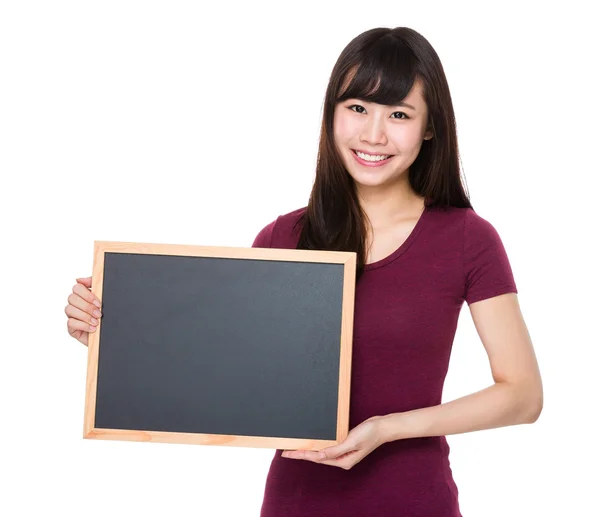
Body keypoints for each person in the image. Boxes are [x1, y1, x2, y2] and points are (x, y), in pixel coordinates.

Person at [65, 26, 543, 516]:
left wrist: (388, 428)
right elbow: (227, 373)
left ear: (429, 127)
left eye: (399, 114)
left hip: (414, 501)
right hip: (296, 503)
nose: (373, 135)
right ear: (331, 113)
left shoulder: (466, 238)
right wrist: (111, 332)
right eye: (357, 108)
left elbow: (523, 395)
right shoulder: (282, 238)